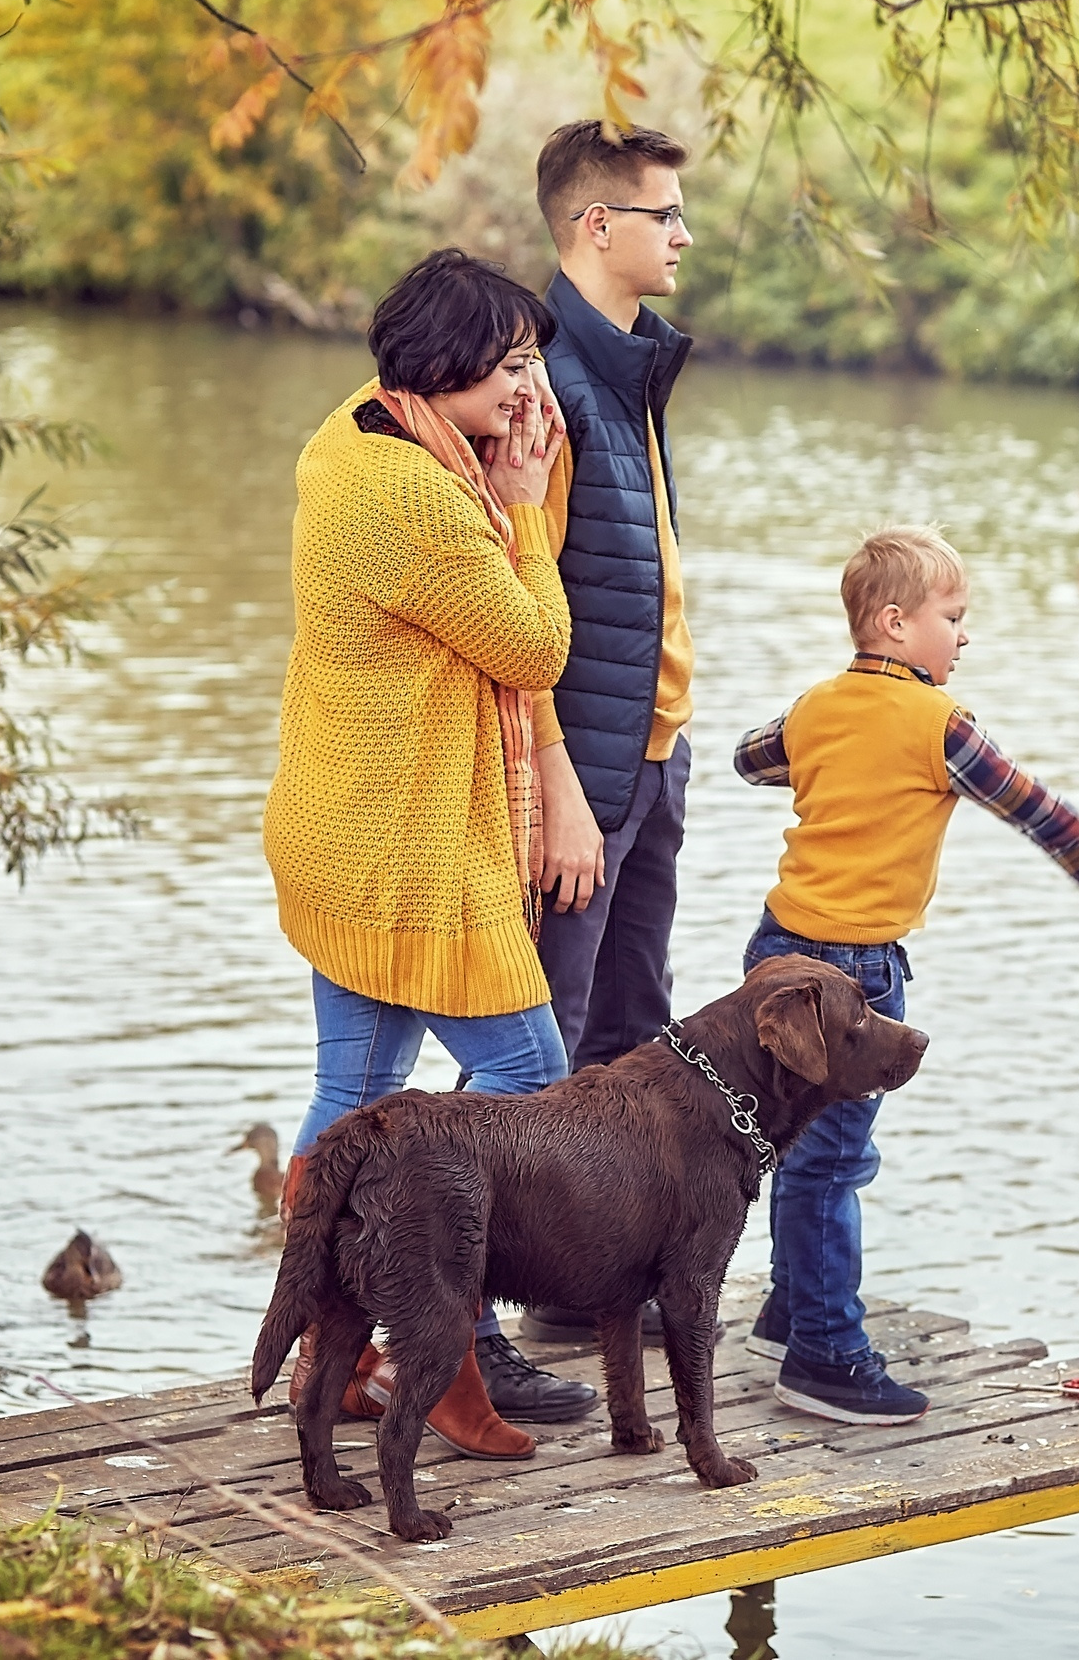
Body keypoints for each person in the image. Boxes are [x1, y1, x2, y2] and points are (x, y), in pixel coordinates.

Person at [262, 248, 599, 1449]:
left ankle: (331, 1350)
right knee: (527, 1086)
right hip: (404, 854)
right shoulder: (420, 501)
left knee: (353, 1097)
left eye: (533, 363)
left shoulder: (356, 436)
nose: (529, 392)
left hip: (345, 831)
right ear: (447, 366)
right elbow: (532, 648)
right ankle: (437, 1350)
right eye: (511, 365)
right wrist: (521, 512)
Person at [732, 525, 1079, 1422]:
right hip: (850, 976)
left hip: (775, 952)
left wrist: (836, 761)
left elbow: (751, 759)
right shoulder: (942, 725)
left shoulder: (818, 704)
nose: (964, 636)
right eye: (954, 617)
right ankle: (824, 1354)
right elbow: (1043, 813)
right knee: (834, 1163)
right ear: (894, 623)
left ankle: (789, 1308)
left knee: (795, 1146)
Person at [514, 120, 699, 1345]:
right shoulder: (542, 382)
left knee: (636, 1033)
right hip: (581, 775)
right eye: (663, 215)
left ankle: (592, 1297)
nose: (681, 236)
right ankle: (508, 1305)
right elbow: (518, 596)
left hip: (654, 754)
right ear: (597, 226)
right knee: (548, 1040)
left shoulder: (628, 368)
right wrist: (562, 786)